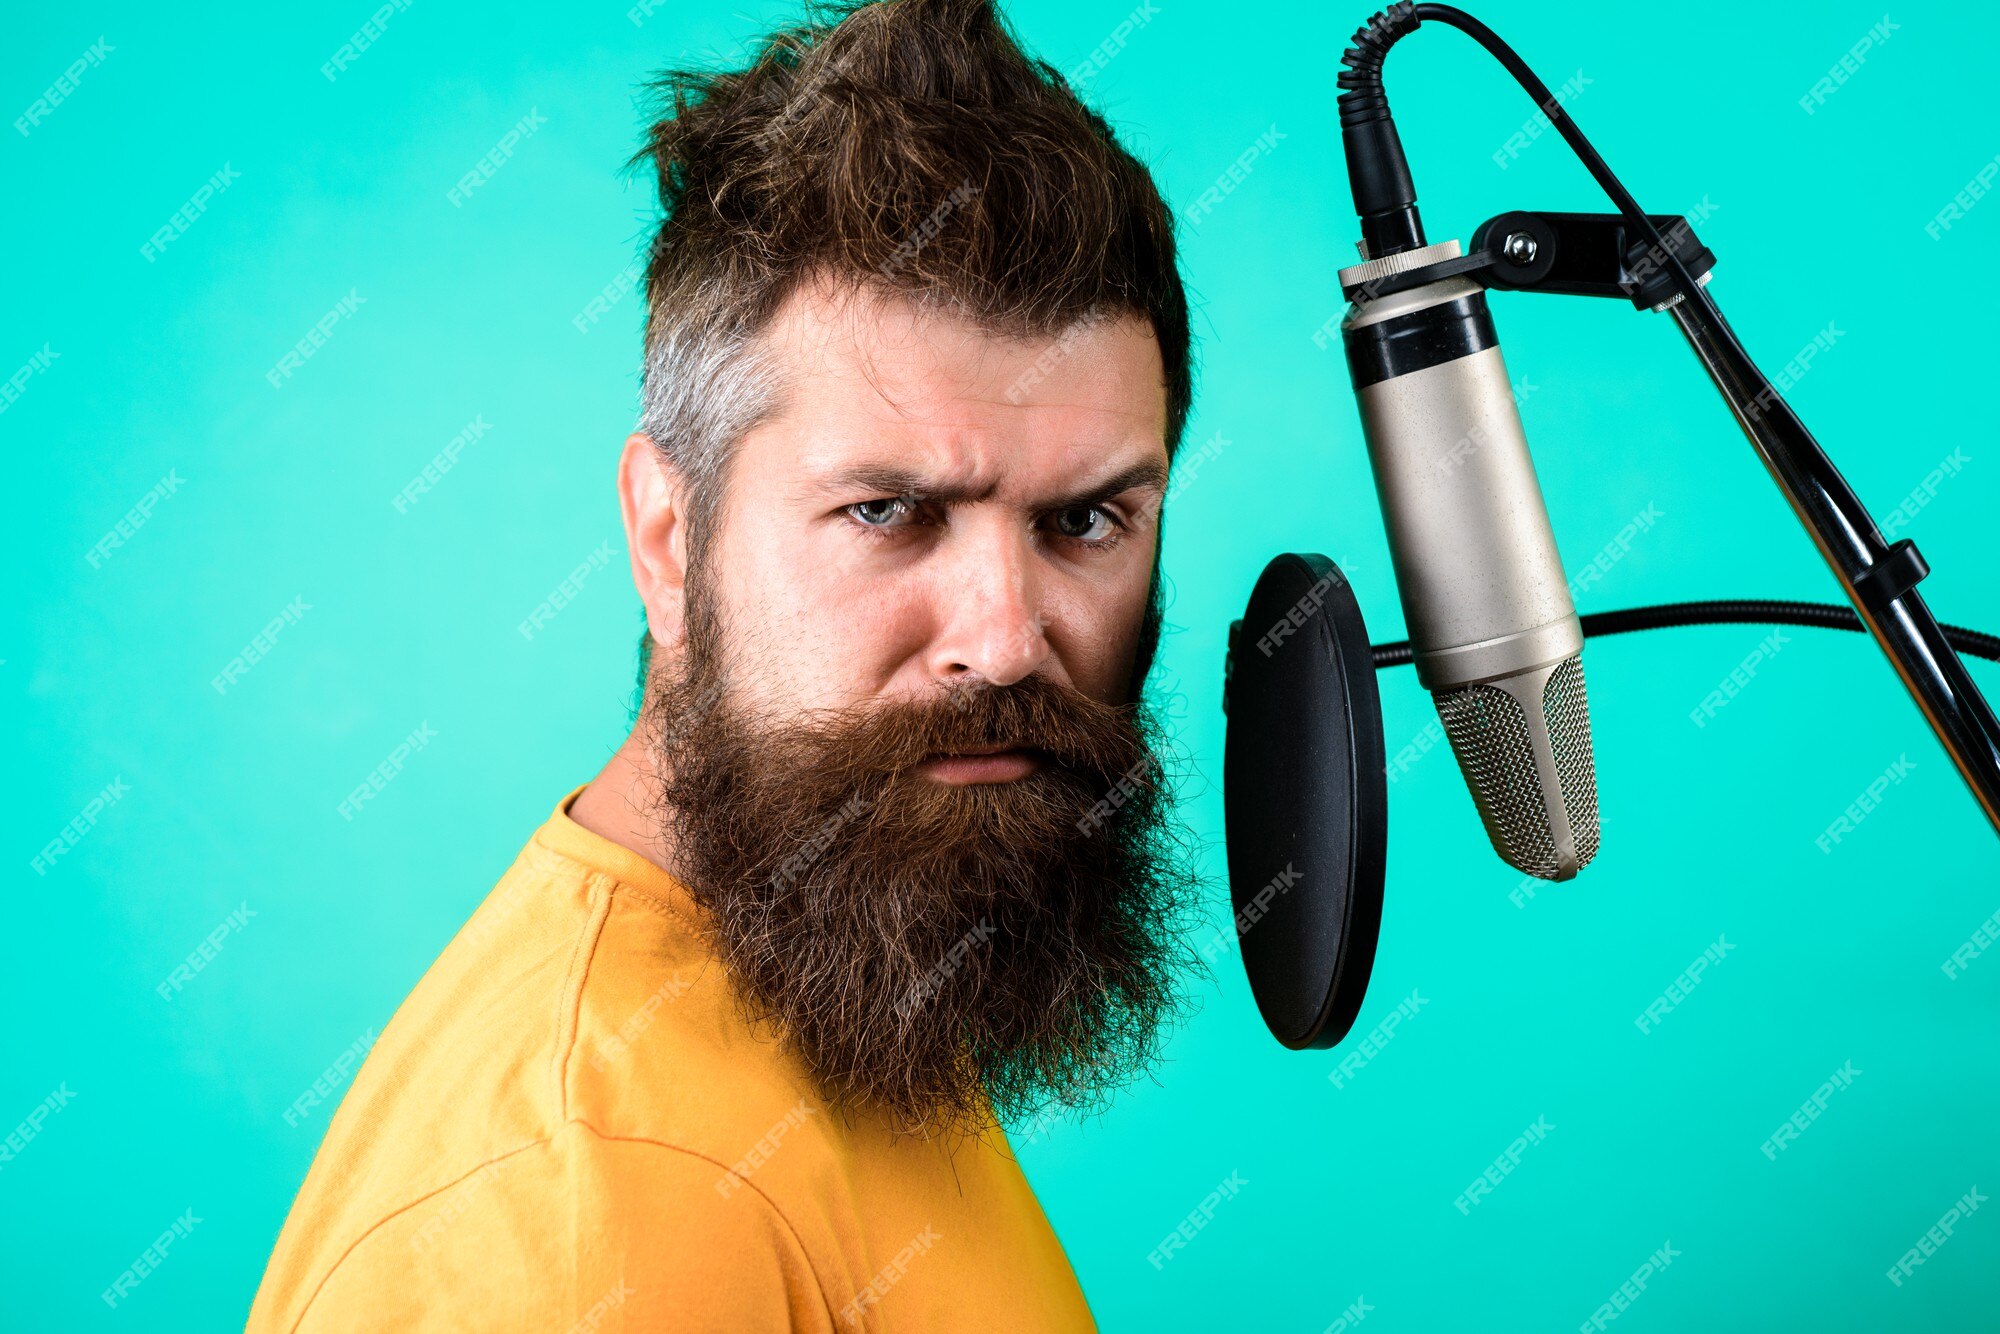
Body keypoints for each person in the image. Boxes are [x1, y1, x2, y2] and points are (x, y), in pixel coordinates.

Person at [247, 0, 1204, 1327]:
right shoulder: (590, 1206)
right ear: (666, 537)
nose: (1000, 635)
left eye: (1085, 520)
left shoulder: (844, 952)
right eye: (889, 512)